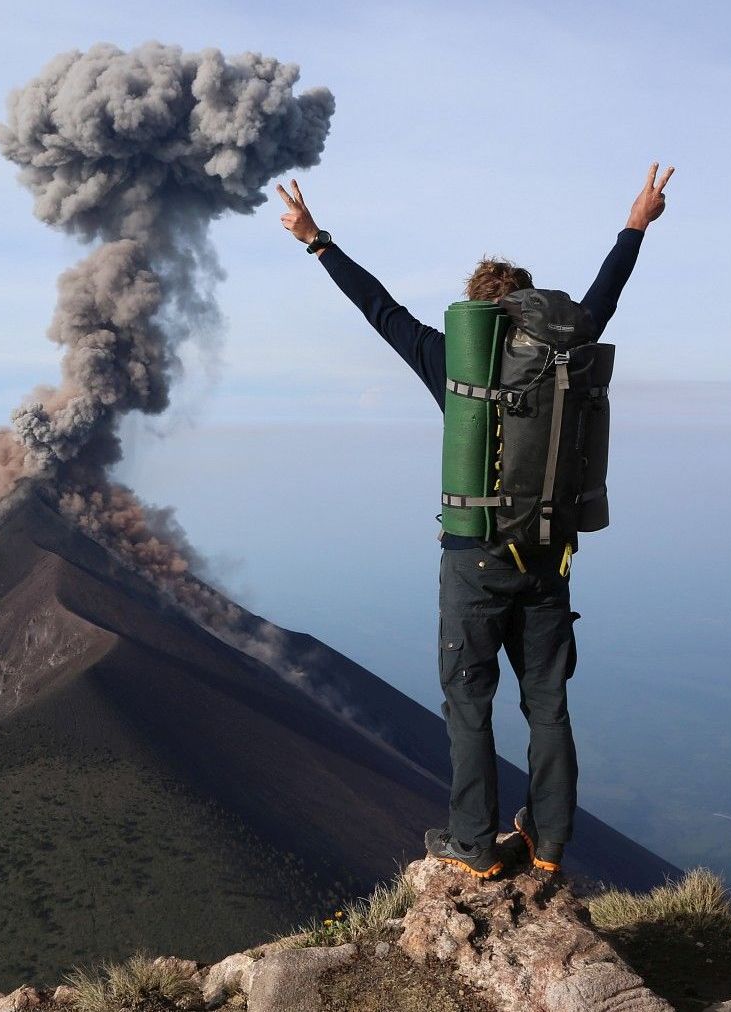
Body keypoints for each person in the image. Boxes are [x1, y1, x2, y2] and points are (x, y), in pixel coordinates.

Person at [274, 163, 675, 877]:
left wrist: (316, 241)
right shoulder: (566, 355)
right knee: (547, 704)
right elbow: (603, 298)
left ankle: (472, 843)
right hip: (551, 558)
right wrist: (635, 223)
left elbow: (380, 308)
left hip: (476, 561)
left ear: (477, 318)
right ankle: (549, 842)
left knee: (469, 701)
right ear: (524, 309)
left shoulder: (451, 360)